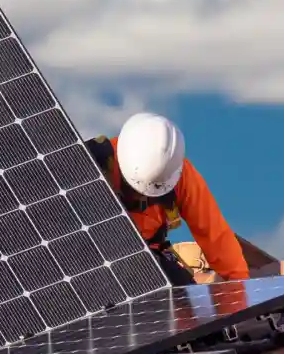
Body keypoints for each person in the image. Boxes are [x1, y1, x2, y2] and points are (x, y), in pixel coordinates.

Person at [83, 112, 248, 286]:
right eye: (135, 188)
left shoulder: (180, 175)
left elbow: (214, 234)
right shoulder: (88, 165)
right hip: (88, 256)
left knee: (184, 300)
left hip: (149, 260)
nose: (141, 196)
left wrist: (242, 287)